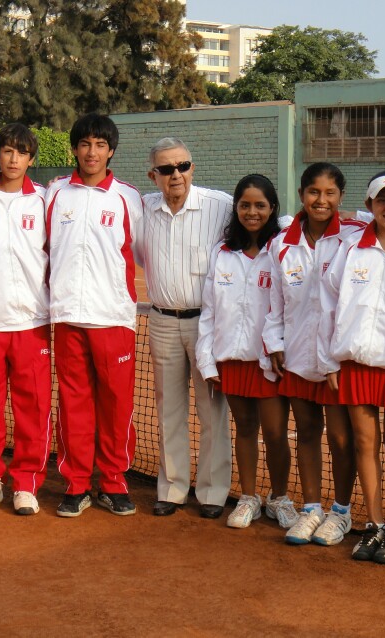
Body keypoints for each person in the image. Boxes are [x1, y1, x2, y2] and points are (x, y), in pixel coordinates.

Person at [319, 171, 385, 563]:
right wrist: (329, 358)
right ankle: (375, 524)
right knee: (364, 443)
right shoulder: (351, 248)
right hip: (356, 363)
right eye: (382, 200)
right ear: (369, 205)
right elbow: (328, 304)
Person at [45, 113, 143, 517]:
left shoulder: (127, 196)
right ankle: (77, 484)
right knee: (74, 404)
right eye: (85, 144)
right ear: (74, 149)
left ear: (111, 151)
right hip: (67, 316)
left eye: (100, 145)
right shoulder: (54, 193)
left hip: (113, 319)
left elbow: (138, 251)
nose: (91, 152)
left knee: (117, 404)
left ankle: (115, 482)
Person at [262, 162, 365, 546]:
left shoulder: (355, 237)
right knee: (306, 433)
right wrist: (275, 343)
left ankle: (340, 511)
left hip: (337, 360)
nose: (321, 200)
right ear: (302, 194)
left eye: (330, 193)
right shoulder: (281, 244)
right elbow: (274, 303)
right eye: (313, 192)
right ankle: (310, 509)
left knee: (341, 438)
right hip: (298, 356)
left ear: (341, 197)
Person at [135, 137, 232, 519]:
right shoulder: (142, 209)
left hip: (207, 324)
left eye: (183, 166)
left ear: (192, 167)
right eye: (167, 169)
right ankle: (172, 489)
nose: (176, 175)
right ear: (153, 175)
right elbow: (140, 256)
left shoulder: (220, 207)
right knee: (168, 409)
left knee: (213, 411)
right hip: (161, 320)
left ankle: (212, 492)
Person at [196, 175, 297, 530]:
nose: (251, 212)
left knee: (274, 432)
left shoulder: (283, 247)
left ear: (272, 209)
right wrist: (207, 359)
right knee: (244, 429)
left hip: (268, 360)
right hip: (231, 359)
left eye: (260, 205)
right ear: (235, 207)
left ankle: (280, 497)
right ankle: (250, 497)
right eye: (244, 205)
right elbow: (209, 311)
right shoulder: (222, 252)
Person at [0, 123, 51, 515]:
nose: (13, 159)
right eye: (7, 151)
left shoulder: (46, 202)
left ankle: (27, 484)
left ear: (31, 159)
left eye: (21, 152)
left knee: (32, 409)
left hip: (32, 323)